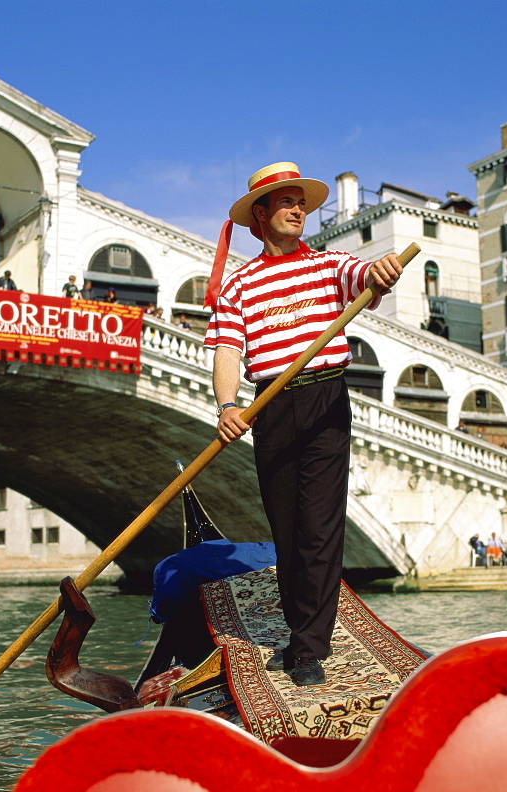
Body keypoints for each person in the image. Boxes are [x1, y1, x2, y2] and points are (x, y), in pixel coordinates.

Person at [204, 162, 402, 687]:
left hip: (325, 399)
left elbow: (364, 276)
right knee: (287, 527)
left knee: (318, 525)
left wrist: (381, 271)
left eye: (302, 202)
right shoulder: (239, 286)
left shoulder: (330, 264)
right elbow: (227, 348)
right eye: (287, 202)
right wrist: (228, 406)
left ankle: (308, 644)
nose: (298, 210)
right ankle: (300, 625)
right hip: (270, 406)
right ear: (262, 214)